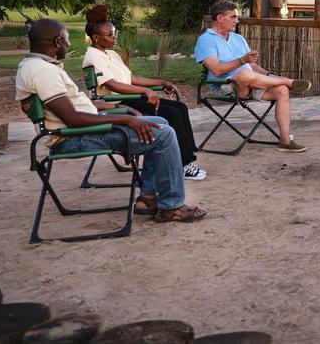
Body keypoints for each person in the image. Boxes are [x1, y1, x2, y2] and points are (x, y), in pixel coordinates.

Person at [16, 19, 206, 223]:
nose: (69, 44)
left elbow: (74, 107)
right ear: (57, 41)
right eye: (67, 39)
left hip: (81, 129)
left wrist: (113, 109)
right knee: (164, 134)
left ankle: (148, 197)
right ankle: (172, 206)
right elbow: (72, 119)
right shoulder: (43, 72)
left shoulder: (36, 66)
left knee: (160, 123)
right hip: (72, 138)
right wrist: (125, 119)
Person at [82, 6, 206, 181]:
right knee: (172, 113)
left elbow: (131, 78)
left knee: (180, 107)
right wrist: (145, 91)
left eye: (115, 33)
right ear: (96, 38)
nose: (115, 37)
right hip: (116, 102)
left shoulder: (110, 54)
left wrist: (161, 82)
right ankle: (183, 164)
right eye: (110, 35)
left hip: (129, 97)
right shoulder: (93, 57)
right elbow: (112, 85)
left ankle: (186, 155)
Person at [194, 0, 310, 153]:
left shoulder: (238, 38)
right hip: (227, 86)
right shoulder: (206, 40)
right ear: (220, 18)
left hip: (251, 82)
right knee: (245, 74)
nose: (237, 21)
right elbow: (216, 70)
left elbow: (253, 66)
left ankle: (285, 140)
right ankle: (288, 81)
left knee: (282, 90)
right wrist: (242, 60)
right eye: (233, 17)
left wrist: (268, 74)